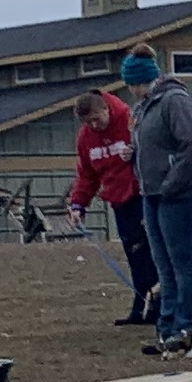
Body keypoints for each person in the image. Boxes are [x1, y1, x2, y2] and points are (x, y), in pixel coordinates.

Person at [120, 46, 192, 349]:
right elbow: (154, 146)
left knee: (181, 261)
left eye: (134, 84)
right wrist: (133, 155)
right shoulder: (143, 108)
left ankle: (187, 327)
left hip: (183, 193)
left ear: (145, 80)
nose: (132, 91)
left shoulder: (174, 101)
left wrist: (174, 182)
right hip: (153, 192)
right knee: (163, 263)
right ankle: (167, 327)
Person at [65, 86, 152, 327]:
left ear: (106, 109)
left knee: (150, 254)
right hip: (118, 201)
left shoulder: (129, 120)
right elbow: (87, 175)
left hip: (142, 196)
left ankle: (157, 306)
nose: (94, 126)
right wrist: (79, 204)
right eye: (87, 122)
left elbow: (153, 150)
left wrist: (135, 153)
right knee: (134, 255)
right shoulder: (86, 139)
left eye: (96, 119)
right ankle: (140, 306)